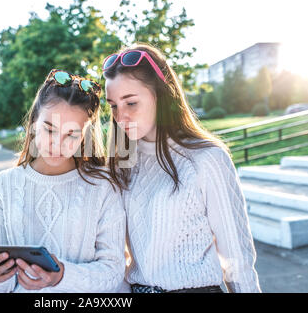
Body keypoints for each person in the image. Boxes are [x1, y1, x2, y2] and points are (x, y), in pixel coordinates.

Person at [102, 43, 261, 293]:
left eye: (131, 103)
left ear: (161, 95)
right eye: (113, 106)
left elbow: (236, 256)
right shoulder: (119, 165)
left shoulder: (207, 158)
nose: (120, 117)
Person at [0, 69, 126, 293]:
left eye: (72, 134)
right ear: (33, 124)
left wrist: (61, 277)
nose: (58, 144)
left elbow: (114, 272)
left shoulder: (104, 187)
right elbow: (3, 287)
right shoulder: (2, 186)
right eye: (49, 129)